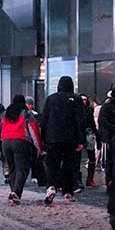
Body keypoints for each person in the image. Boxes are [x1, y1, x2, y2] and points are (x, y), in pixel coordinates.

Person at [0, 95, 43, 205]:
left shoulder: (5, 114)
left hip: (6, 143)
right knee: (22, 169)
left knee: (12, 168)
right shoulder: (27, 114)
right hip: (21, 142)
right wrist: (39, 147)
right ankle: (16, 192)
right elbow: (34, 130)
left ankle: (13, 191)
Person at [40, 75, 86, 204]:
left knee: (52, 164)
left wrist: (43, 138)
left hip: (52, 138)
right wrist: (81, 140)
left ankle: (51, 186)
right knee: (68, 165)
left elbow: (44, 120)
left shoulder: (51, 99)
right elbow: (80, 120)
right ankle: (68, 192)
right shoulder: (76, 99)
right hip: (70, 139)